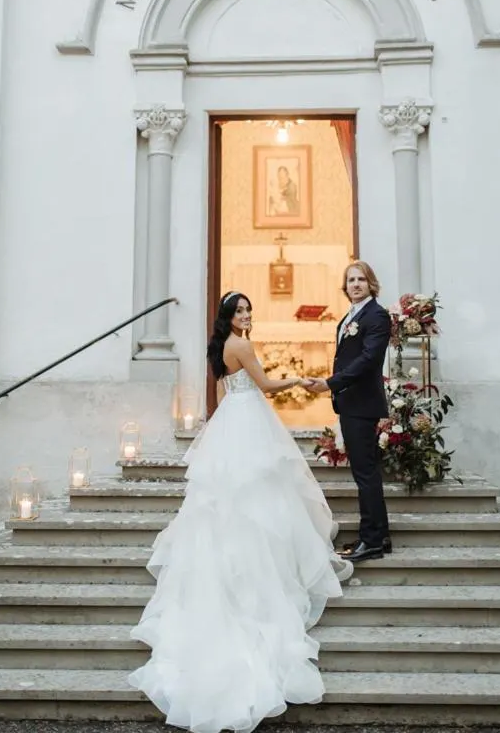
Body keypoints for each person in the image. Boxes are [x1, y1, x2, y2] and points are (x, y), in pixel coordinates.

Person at [128, 290, 352, 733]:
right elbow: (265, 387)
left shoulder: (218, 350)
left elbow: (221, 391)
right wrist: (299, 380)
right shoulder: (243, 345)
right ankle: (263, 573)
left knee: (230, 500)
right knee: (262, 496)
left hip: (232, 420)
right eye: (240, 311)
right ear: (228, 317)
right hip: (249, 420)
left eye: (249, 310)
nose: (247, 315)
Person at [306, 261, 392, 563]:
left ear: (371, 283)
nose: (355, 284)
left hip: (363, 404)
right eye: (351, 280)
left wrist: (330, 383)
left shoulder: (377, 316)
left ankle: (372, 542)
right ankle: (378, 535)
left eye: (361, 279)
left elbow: (369, 359)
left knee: (366, 474)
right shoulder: (350, 316)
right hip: (351, 402)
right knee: (364, 473)